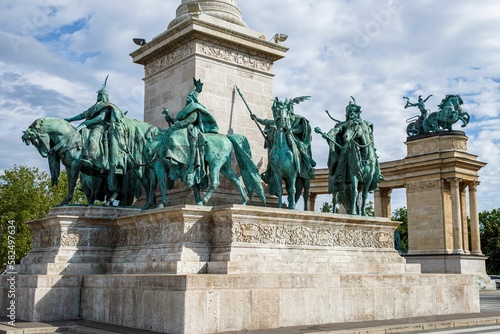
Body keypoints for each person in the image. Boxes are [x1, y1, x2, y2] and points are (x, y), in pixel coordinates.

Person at [163, 78, 219, 187]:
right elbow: (177, 120)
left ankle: (185, 161)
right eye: (187, 96)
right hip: (184, 127)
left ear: (193, 98)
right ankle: (174, 157)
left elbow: (192, 119)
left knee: (175, 135)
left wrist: (180, 124)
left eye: (190, 96)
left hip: (192, 128)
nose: (188, 97)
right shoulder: (185, 109)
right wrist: (169, 117)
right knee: (170, 134)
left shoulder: (194, 107)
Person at [65, 76, 126, 173]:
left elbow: (101, 118)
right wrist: (71, 119)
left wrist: (89, 122)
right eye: (98, 95)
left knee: (93, 139)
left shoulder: (106, 105)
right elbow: (83, 114)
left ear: (103, 96)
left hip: (100, 128)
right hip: (90, 128)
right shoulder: (94, 106)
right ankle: (82, 155)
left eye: (99, 95)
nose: (97, 97)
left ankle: (91, 158)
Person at [251, 96, 316, 184]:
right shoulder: (277, 121)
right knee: (272, 153)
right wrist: (256, 118)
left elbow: (300, 129)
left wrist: (292, 130)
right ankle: (269, 170)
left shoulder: (294, 119)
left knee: (300, 146)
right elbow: (265, 122)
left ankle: (308, 167)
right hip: (279, 139)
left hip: (292, 136)